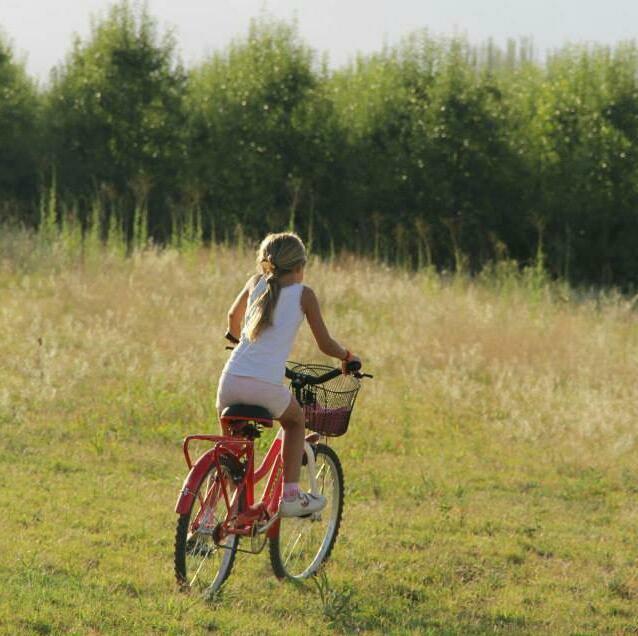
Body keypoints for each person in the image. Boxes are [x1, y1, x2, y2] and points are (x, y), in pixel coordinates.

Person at [216, 232, 360, 517]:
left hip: (229, 382)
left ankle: (225, 512)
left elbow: (233, 317)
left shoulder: (255, 282)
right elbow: (325, 343)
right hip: (265, 387)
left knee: (231, 453)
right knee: (296, 422)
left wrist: (236, 339)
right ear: (299, 267)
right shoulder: (304, 295)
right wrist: (347, 356)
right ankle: (291, 496)